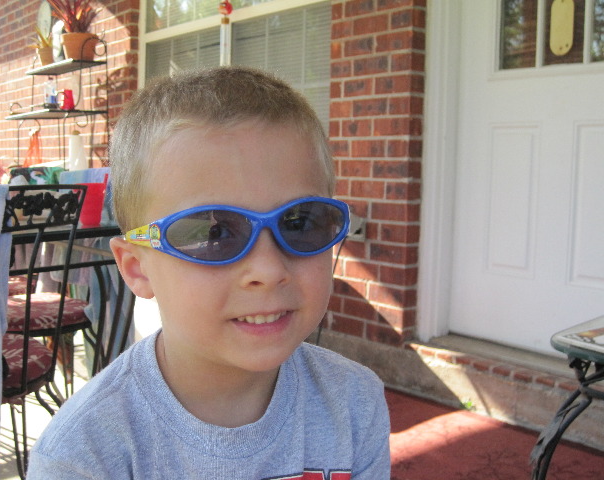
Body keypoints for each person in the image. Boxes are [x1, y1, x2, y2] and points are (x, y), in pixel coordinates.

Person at [27, 66, 391, 479]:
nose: (269, 270)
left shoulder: (355, 403)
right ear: (137, 268)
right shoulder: (82, 456)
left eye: (300, 221)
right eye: (213, 232)